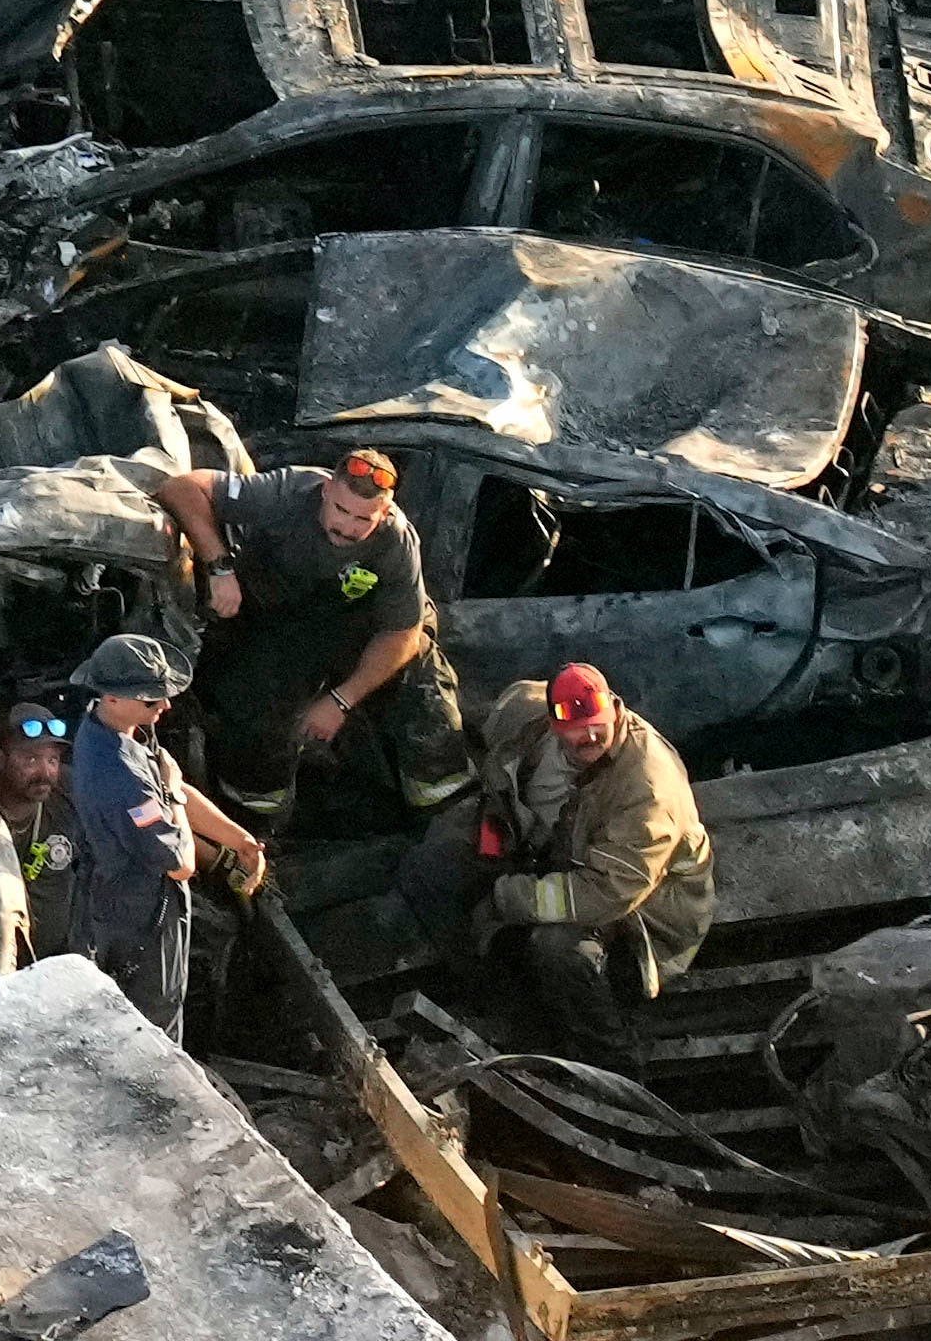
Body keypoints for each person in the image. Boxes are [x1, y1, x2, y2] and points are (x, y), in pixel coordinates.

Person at [388, 662, 712, 1059]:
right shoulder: (528, 719)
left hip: (645, 907)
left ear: (613, 707)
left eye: (598, 722)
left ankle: (611, 1064)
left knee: (558, 949)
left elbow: (609, 891)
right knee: (430, 867)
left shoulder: (647, 784)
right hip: (553, 856)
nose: (590, 735)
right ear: (553, 721)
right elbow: (493, 752)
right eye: (577, 726)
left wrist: (508, 897)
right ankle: (502, 1001)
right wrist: (495, 831)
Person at [147, 445, 464, 821]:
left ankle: (443, 811)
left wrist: (340, 702)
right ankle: (260, 819)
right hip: (278, 623)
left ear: (386, 512)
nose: (347, 528)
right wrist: (219, 567)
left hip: (356, 628)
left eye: (364, 519)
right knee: (249, 703)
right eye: (341, 510)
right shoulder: (289, 492)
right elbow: (180, 488)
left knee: (425, 682)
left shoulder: (397, 541)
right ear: (327, 491)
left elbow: (402, 633)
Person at [45, 634, 262, 1034]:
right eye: (151, 700)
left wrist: (239, 840)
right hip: (137, 925)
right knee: (154, 1027)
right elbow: (181, 864)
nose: (165, 706)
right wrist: (174, 791)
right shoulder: (120, 777)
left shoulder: (113, 727)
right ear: (111, 697)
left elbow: (169, 784)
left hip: (122, 905)